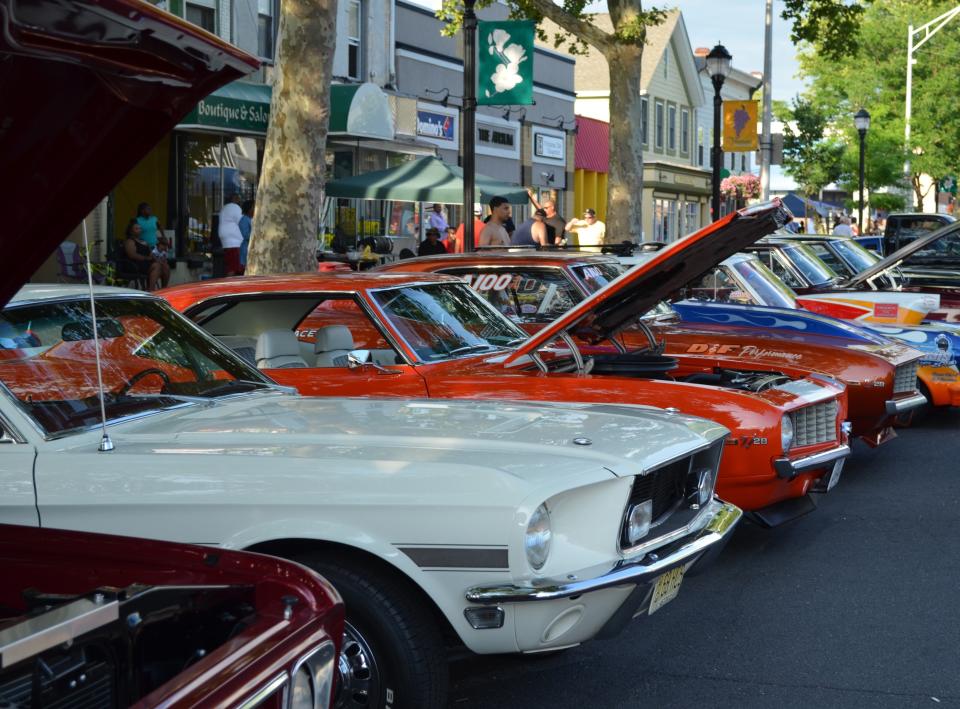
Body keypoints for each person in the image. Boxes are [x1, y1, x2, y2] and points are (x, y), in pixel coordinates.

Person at [121, 219, 163, 290]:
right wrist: (146, 258)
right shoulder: (130, 241)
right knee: (156, 266)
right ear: (131, 231)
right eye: (136, 228)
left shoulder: (143, 241)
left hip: (146, 263)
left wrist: (157, 259)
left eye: (140, 228)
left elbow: (151, 254)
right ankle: (151, 290)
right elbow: (132, 255)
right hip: (135, 265)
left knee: (165, 267)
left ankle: (164, 289)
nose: (139, 230)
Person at [218, 193, 244, 276]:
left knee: (231, 265)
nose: (240, 201)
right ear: (235, 199)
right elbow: (242, 222)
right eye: (238, 199)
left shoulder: (224, 208)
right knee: (234, 267)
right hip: (234, 242)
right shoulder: (235, 207)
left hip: (227, 242)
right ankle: (231, 285)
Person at [239, 199, 254, 274]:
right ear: (248, 209)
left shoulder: (251, 219)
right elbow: (246, 235)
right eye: (253, 207)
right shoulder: (244, 220)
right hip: (247, 249)